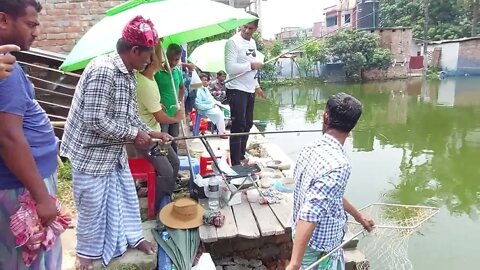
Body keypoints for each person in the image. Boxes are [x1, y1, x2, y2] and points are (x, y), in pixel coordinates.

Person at [60, 16, 172, 269]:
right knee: (92, 206)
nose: (150, 61)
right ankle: (85, 254)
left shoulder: (130, 74)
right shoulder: (104, 70)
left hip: (112, 151)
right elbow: (95, 120)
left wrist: (154, 133)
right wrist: (133, 136)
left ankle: (133, 238)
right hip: (90, 153)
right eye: (148, 55)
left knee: (125, 197)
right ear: (134, 50)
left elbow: (130, 116)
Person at [0, 1, 62, 269]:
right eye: (31, 24)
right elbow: (9, 139)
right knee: (32, 259)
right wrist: (41, 198)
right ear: (3, 20)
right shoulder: (6, 71)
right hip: (21, 187)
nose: (36, 32)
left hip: (26, 182)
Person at [286, 93, 375, 270]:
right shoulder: (340, 164)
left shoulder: (309, 148)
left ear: (325, 117)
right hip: (317, 247)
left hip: (301, 235)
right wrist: (294, 264)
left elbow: (331, 195)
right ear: (353, 126)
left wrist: (358, 216)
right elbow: (310, 213)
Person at [132, 41, 182, 212]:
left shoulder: (150, 78)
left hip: (155, 134)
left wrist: (158, 41)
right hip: (147, 139)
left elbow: (152, 107)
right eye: (159, 59)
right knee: (167, 171)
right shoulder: (145, 83)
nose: (163, 62)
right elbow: (160, 116)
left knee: (175, 162)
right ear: (151, 62)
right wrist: (177, 118)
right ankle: (160, 208)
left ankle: (167, 195)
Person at [225, 12, 265, 166]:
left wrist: (257, 86)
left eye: (251, 28)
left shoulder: (252, 43)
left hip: (249, 89)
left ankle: (241, 155)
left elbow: (253, 65)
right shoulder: (233, 43)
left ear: (256, 28)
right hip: (236, 89)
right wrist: (251, 65)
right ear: (241, 24)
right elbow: (230, 67)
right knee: (238, 124)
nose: (247, 31)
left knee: (248, 123)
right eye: (245, 27)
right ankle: (235, 162)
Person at [154, 43, 184, 153]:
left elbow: (181, 88)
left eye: (177, 60)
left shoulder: (177, 72)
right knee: (163, 141)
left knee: (174, 140)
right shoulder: (157, 72)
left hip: (174, 112)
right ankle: (164, 166)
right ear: (166, 56)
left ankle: (174, 164)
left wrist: (179, 102)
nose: (174, 62)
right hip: (163, 113)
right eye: (172, 59)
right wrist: (158, 103)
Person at [195, 73, 228, 138]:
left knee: (222, 110)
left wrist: (216, 103)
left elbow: (211, 98)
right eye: (204, 80)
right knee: (218, 114)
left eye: (206, 80)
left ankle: (221, 131)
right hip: (204, 109)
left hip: (211, 106)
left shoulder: (205, 89)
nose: (205, 82)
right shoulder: (198, 90)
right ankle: (221, 133)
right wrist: (210, 106)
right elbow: (198, 105)